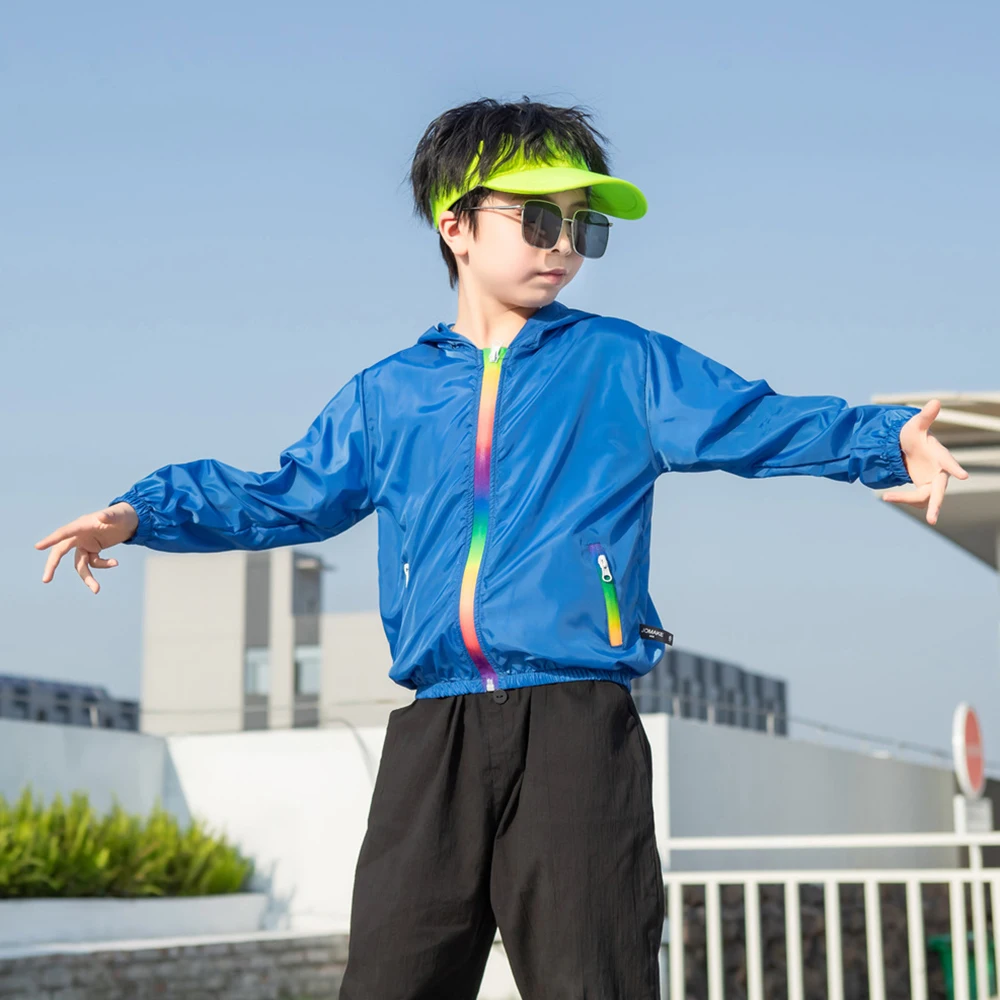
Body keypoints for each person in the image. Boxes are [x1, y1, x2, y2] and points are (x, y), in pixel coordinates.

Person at [35, 97, 968, 999]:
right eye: (538, 219)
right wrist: (141, 512)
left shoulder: (622, 364)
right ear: (457, 226)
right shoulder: (388, 395)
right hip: (433, 733)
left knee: (592, 982)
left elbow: (751, 421)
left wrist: (883, 441)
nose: (563, 245)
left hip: (575, 727)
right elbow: (286, 497)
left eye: (583, 226)